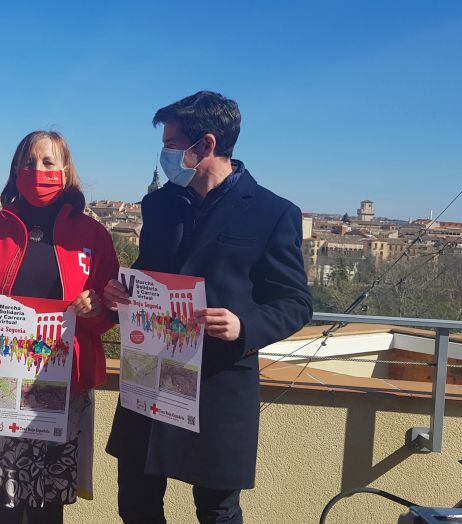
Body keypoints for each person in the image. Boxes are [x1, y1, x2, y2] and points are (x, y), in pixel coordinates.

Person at [103, 91, 313, 523]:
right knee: (136, 505)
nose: (165, 154)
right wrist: (121, 294)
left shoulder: (274, 213)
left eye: (173, 144)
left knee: (217, 511)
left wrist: (244, 325)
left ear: (207, 146)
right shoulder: (159, 205)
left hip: (218, 384)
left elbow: (295, 302)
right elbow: (149, 271)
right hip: (152, 375)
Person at [0, 131, 119, 524]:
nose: (37, 171)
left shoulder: (94, 236)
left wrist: (94, 311)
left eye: (47, 162)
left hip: (63, 389)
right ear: (15, 170)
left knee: (49, 510)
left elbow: (111, 314)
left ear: (65, 170)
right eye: (28, 162)